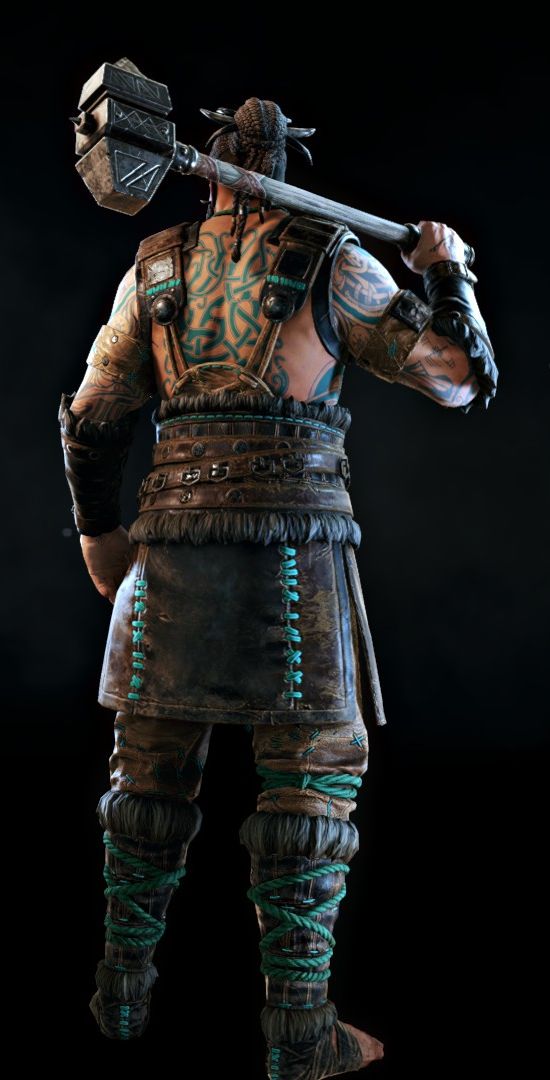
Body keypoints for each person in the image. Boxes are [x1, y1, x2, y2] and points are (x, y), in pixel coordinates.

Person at [58, 96, 497, 1076]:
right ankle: (297, 1036)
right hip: (295, 550)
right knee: (311, 778)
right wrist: (448, 272)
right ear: (282, 165)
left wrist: (99, 535)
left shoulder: (152, 272)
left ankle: (120, 1002)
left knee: (146, 781)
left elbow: (92, 420)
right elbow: (458, 378)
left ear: (208, 172)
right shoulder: (336, 258)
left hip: (169, 548)